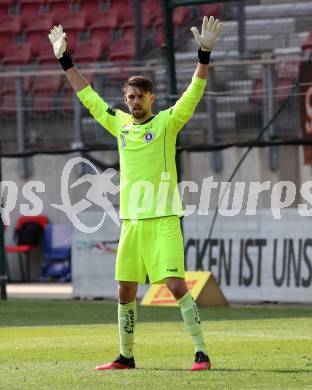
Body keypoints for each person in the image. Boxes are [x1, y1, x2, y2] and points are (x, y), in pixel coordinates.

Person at [49, 15, 222, 371]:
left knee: (175, 284)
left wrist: (203, 57)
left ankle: (201, 352)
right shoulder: (120, 124)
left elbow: (193, 94)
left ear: (151, 98)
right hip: (131, 222)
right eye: (129, 97)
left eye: (139, 96)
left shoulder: (166, 123)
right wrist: (65, 60)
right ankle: (126, 356)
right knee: (125, 291)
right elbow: (89, 97)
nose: (133, 102)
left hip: (164, 221)